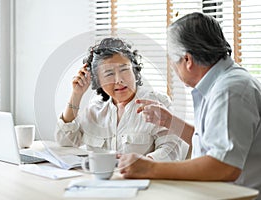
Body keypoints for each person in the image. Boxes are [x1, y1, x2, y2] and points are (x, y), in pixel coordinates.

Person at [118, 12, 261, 196]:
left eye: (173, 61)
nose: (173, 69)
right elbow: (211, 144)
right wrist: (170, 122)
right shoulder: (222, 83)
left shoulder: (230, 90)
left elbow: (224, 166)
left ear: (187, 60)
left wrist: (150, 168)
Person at [54, 38, 189, 161]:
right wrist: (76, 94)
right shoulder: (95, 108)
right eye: (109, 73)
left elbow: (172, 151)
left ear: (135, 71)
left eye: (124, 70)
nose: (119, 80)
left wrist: (146, 163)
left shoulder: (158, 103)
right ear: (97, 80)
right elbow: (65, 140)